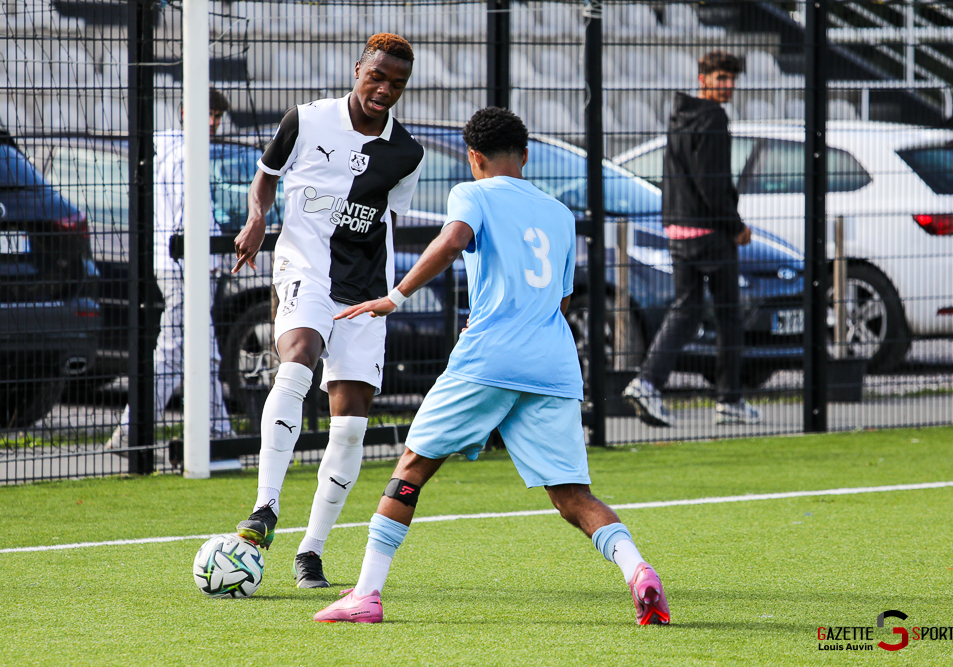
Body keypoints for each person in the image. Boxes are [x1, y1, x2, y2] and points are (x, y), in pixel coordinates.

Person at [312, 107, 671, 627]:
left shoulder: (471, 193)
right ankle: (636, 568)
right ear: (525, 156)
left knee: (411, 469)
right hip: (553, 363)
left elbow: (453, 240)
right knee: (573, 496)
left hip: (488, 357)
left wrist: (395, 296)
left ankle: (365, 594)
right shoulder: (559, 213)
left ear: (473, 157)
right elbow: (562, 300)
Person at [229, 34, 425, 589]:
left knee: (350, 427)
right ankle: (265, 509)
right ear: (358, 68)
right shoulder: (307, 120)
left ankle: (310, 551)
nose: (384, 89)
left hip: (364, 293)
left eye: (397, 83)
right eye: (377, 76)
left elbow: (386, 221)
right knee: (296, 358)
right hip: (304, 269)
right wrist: (257, 217)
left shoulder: (406, 154)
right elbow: (266, 175)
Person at [622, 50, 761, 427]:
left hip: (678, 229)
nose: (727, 85)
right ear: (703, 78)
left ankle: (647, 381)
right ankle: (729, 399)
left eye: (731, 79)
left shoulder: (680, 113)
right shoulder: (714, 117)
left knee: (687, 309)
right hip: (711, 233)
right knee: (730, 315)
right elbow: (712, 183)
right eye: (721, 78)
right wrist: (735, 226)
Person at [106, 88, 235, 452]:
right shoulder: (184, 155)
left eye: (217, 116)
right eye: (207, 114)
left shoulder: (173, 149)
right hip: (185, 269)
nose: (213, 123)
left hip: (184, 266)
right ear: (184, 112)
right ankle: (132, 432)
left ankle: (219, 432)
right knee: (175, 350)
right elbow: (187, 216)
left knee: (202, 350)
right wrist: (208, 260)